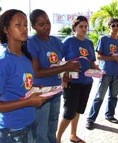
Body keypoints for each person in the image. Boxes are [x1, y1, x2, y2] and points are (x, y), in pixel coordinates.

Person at [27, 9, 80, 143]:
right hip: (41, 92)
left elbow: (59, 64)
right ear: (33, 27)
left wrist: (65, 74)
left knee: (52, 126)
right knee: (41, 130)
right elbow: (37, 72)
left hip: (56, 90)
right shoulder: (31, 43)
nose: (46, 27)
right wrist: (65, 67)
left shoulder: (56, 41)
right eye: (41, 24)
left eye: (48, 23)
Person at [0, 9, 51, 143]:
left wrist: (35, 87)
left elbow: (19, 85)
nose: (24, 28)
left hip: (30, 122)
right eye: (18, 25)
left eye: (25, 25)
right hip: (13, 130)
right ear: (6, 29)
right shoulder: (3, 62)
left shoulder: (26, 58)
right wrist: (28, 102)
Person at [56, 15, 98, 143]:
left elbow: (92, 62)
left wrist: (98, 69)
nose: (84, 29)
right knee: (69, 113)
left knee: (78, 110)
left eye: (86, 26)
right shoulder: (68, 41)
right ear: (75, 28)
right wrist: (65, 75)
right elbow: (58, 61)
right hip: (72, 83)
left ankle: (73, 135)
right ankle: (57, 138)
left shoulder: (89, 43)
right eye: (81, 26)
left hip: (86, 82)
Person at [86, 18, 118, 129]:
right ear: (109, 27)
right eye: (113, 25)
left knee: (113, 96)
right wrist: (111, 57)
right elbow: (98, 56)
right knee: (99, 97)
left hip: (116, 73)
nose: (116, 27)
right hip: (105, 73)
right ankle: (90, 119)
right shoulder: (103, 39)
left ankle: (110, 115)